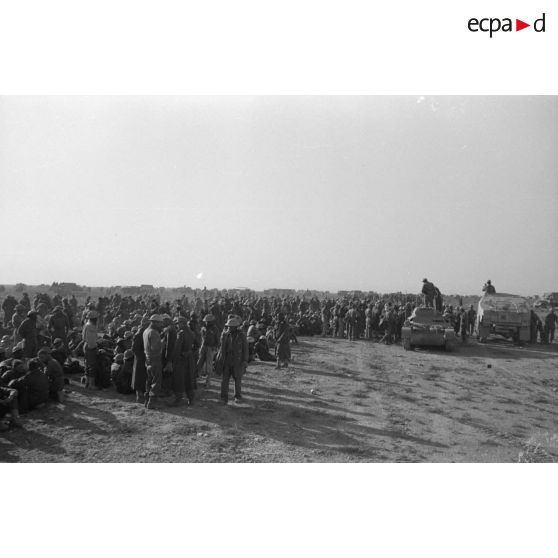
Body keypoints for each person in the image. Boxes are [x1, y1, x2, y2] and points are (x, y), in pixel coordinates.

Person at [217, 316, 248, 404]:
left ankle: (237, 396)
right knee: (224, 380)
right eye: (228, 326)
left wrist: (245, 360)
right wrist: (219, 360)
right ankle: (223, 397)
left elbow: (245, 349)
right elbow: (221, 349)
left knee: (237, 379)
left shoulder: (241, 335)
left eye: (231, 327)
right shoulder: (225, 335)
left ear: (236, 327)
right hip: (227, 360)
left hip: (237, 361)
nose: (229, 328)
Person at [171, 316, 196, 406]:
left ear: (182, 323)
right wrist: (189, 352)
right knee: (189, 379)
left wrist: (174, 359)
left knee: (179, 379)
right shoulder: (191, 332)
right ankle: (191, 399)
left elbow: (177, 348)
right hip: (190, 359)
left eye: (178, 324)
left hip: (181, 359)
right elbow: (197, 345)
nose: (177, 326)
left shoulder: (181, 333)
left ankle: (178, 400)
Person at [143, 314, 164, 409]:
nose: (161, 325)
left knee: (149, 381)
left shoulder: (146, 331)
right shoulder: (154, 333)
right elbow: (155, 347)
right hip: (155, 359)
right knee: (156, 383)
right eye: (159, 323)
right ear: (154, 322)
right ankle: (151, 402)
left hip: (147, 359)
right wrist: (163, 343)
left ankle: (146, 399)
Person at [197, 314, 220, 388]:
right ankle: (196, 379)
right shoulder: (203, 328)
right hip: (203, 346)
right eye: (206, 321)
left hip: (210, 347)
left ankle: (208, 382)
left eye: (208, 321)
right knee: (199, 363)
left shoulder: (215, 329)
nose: (207, 323)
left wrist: (215, 348)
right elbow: (201, 337)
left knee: (209, 365)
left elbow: (217, 340)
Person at [82, 310, 99, 389]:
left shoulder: (87, 325)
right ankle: (91, 385)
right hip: (90, 347)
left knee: (87, 365)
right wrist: (96, 346)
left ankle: (87, 382)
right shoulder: (91, 327)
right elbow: (91, 340)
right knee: (92, 366)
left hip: (86, 346)